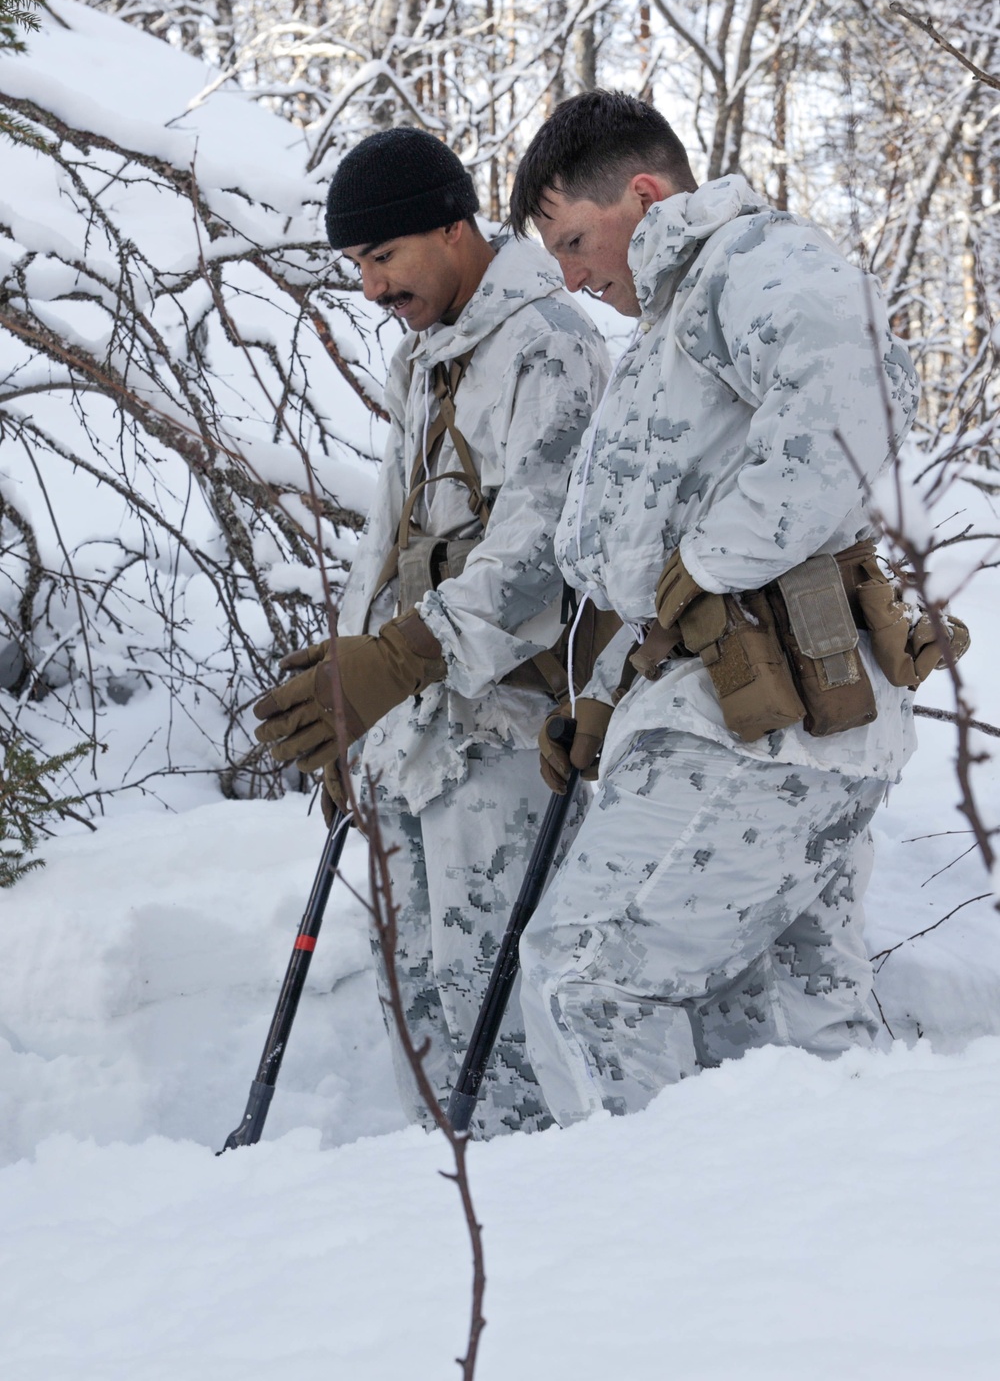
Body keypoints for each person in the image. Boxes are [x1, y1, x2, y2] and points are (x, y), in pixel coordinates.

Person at [505, 89, 927, 1125]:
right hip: (765, 728)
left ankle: (650, 1268)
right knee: (789, 1030)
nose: (570, 276)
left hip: (750, 736)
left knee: (585, 978)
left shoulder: (739, 263)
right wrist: (607, 696)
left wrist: (708, 555)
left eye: (572, 240)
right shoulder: (674, 320)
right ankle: (846, 1254)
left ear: (643, 196)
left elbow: (860, 387)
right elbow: (659, 575)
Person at [253, 126, 608, 1136]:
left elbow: (543, 553)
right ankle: (437, 1204)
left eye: (384, 258)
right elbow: (394, 542)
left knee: (496, 999)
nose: (370, 289)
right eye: (357, 266)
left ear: (454, 230)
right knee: (417, 998)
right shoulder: (429, 357)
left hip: (506, 733)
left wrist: (397, 661)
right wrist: (353, 693)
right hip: (420, 732)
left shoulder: (549, 347)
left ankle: (528, 1212)